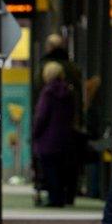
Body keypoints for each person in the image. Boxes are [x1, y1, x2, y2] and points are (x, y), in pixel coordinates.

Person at [32, 62, 74, 207]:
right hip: (65, 136)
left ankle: (54, 198)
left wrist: (35, 132)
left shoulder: (47, 92)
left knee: (49, 170)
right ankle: (62, 197)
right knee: (62, 169)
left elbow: (42, 115)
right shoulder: (68, 91)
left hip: (47, 136)